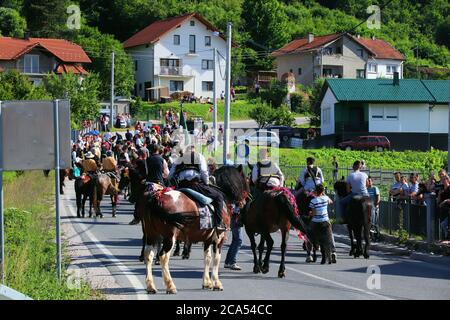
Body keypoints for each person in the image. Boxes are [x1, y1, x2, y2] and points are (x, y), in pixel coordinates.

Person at [169, 145, 226, 231]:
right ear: (194, 150)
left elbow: (170, 175)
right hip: (194, 185)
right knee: (219, 196)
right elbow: (204, 171)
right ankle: (218, 223)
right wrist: (206, 183)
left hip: (180, 185)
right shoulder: (198, 156)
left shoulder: (178, 159)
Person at [309, 184, 336, 264]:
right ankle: (330, 255)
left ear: (315, 191)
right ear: (323, 191)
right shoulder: (326, 198)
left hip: (316, 222)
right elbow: (331, 201)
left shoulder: (313, 201)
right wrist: (324, 194)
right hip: (325, 221)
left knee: (311, 235)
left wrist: (310, 213)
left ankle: (314, 250)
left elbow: (313, 213)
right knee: (328, 239)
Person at [367, 176, 381, 241]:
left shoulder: (375, 188)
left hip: (374, 207)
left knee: (375, 222)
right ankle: (371, 236)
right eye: (368, 181)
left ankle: (377, 236)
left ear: (372, 182)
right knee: (369, 222)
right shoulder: (366, 189)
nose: (368, 182)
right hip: (368, 208)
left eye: (370, 181)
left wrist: (376, 205)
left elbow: (378, 197)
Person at [437, 175, 450, 240]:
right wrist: (439, 195)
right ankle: (444, 238)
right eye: (442, 180)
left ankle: (447, 238)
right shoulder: (441, 188)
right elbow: (439, 199)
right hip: (442, 209)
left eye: (444, 179)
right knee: (442, 224)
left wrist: (445, 201)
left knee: (444, 224)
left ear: (448, 179)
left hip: (448, 208)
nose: (443, 181)